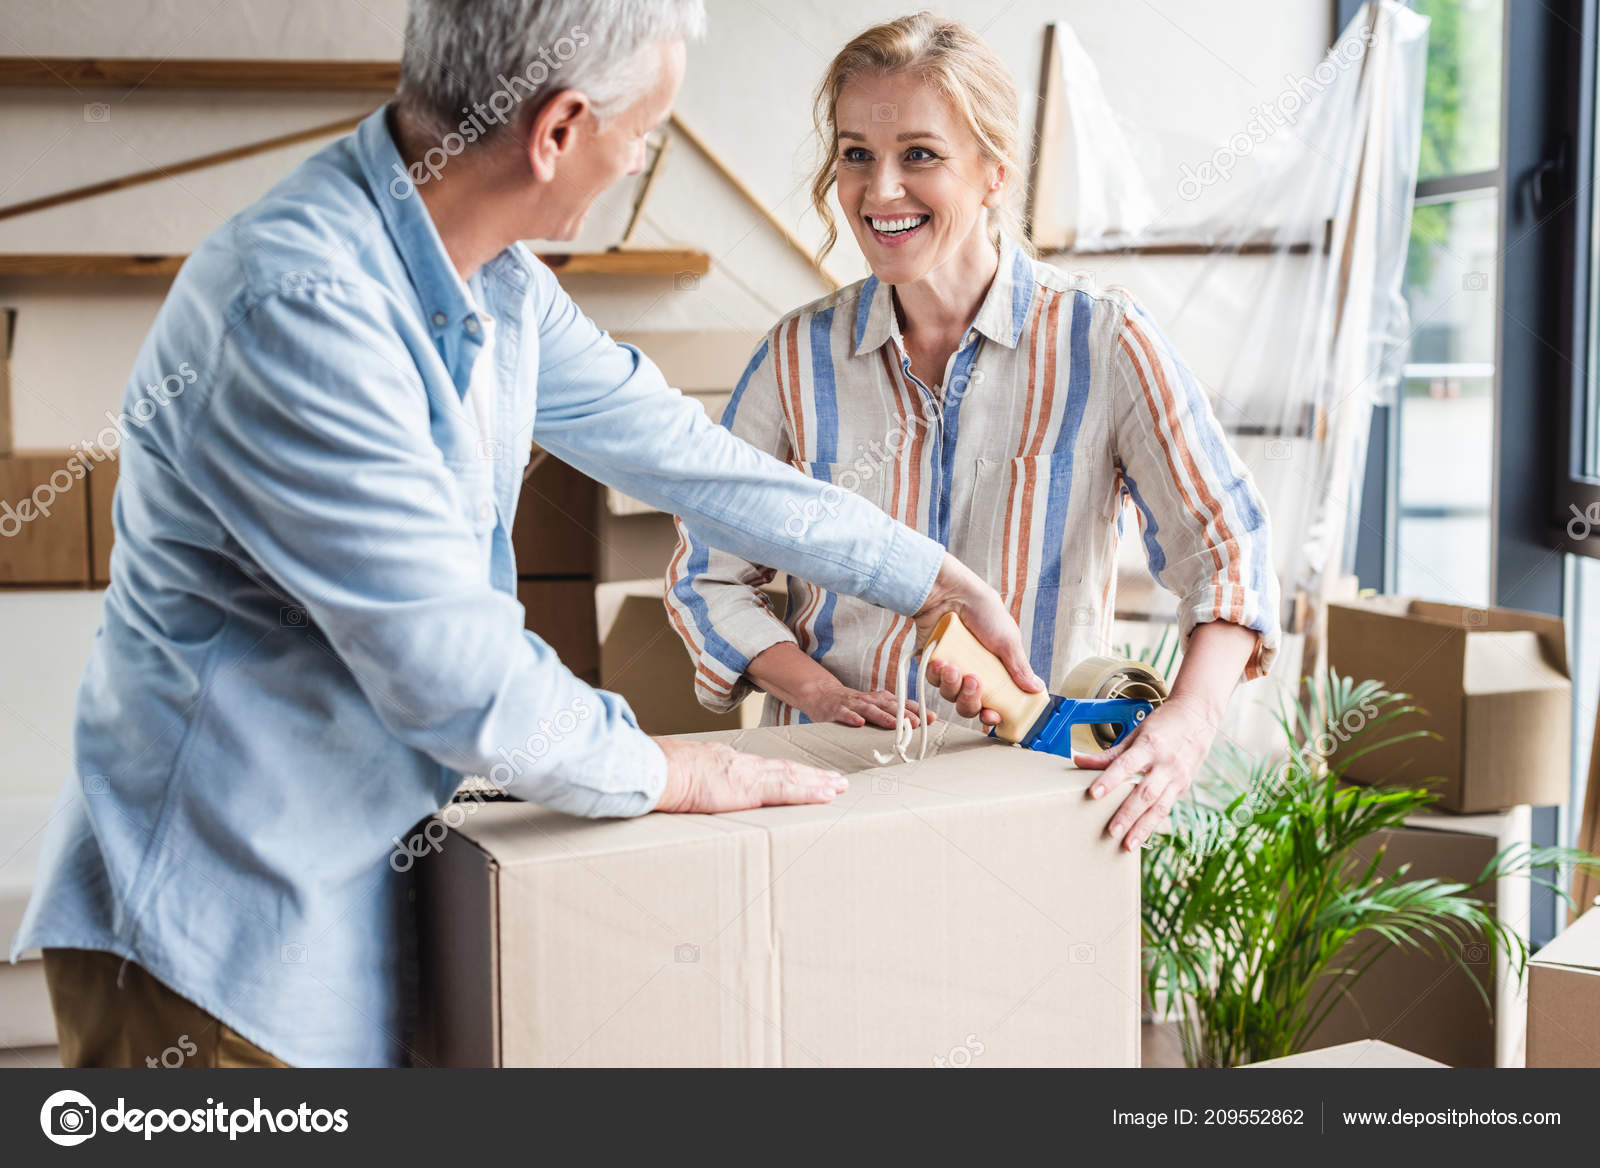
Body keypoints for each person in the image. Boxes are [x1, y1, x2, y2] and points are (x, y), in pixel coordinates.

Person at [10, 0, 1040, 1068]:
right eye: (643, 133)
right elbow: (452, 669)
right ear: (556, 131)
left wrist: (930, 580)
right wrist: (675, 771)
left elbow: (686, 454)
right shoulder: (297, 307)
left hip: (362, 902)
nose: (641, 158)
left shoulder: (495, 285)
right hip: (214, 949)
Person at [669, 14, 1282, 855]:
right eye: (856, 155)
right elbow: (708, 575)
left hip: (1039, 799)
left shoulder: (1104, 343)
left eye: (920, 155)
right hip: (829, 793)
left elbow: (1231, 556)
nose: (880, 191)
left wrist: (1187, 723)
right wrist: (816, 691)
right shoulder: (794, 359)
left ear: (994, 172)